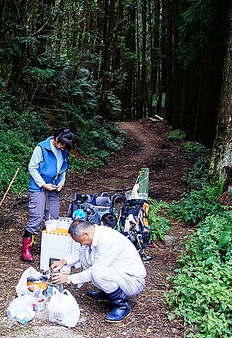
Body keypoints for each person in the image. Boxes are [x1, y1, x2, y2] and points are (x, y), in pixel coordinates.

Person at [48, 219, 146, 322]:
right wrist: (64, 262)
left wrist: (69, 278)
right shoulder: (94, 234)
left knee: (97, 273)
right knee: (85, 256)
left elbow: (95, 270)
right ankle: (108, 292)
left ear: (85, 234)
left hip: (133, 281)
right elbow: (80, 252)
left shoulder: (107, 240)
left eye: (79, 240)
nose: (79, 243)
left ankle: (122, 305)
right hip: (118, 274)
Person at [21, 127, 75, 262]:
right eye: (62, 145)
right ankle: (26, 250)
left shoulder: (64, 150)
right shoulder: (41, 148)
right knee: (37, 216)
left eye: (66, 147)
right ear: (56, 139)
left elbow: (63, 169)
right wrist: (44, 185)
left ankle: (50, 246)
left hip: (54, 186)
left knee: (53, 218)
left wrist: (61, 182)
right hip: (38, 186)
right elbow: (32, 168)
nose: (63, 148)